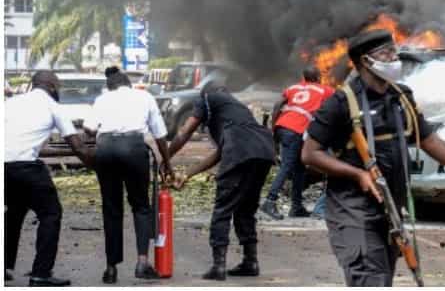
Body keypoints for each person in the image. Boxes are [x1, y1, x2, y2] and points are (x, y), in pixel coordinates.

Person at [301, 29, 445, 287]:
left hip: (391, 206)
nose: (394, 59)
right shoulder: (341, 103)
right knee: (370, 276)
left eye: (394, 51)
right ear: (364, 61)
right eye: (385, 53)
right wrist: (357, 173)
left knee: (383, 275)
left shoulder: (401, 97)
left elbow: (429, 140)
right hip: (352, 208)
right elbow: (310, 153)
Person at [167, 76, 275, 281]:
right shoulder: (237, 110)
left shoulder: (208, 98)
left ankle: (218, 266)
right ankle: (250, 262)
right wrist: (187, 174)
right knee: (245, 208)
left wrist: (166, 160)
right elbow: (220, 153)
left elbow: (184, 132)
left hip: (242, 151)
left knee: (223, 209)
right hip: (264, 152)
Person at [82, 67, 173, 284]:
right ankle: (142, 262)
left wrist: (102, 129)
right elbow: (160, 134)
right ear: (128, 84)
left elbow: (89, 128)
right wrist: (166, 162)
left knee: (111, 208)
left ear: (110, 86)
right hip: (133, 149)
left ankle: (111, 268)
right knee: (141, 206)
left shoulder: (102, 99)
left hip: (106, 150)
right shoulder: (144, 96)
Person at [5, 70, 90, 286]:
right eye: (58, 86)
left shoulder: (10, 103)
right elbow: (78, 147)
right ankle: (40, 274)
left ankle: (4, 266)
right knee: (51, 213)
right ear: (52, 86)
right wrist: (100, 166)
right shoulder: (54, 107)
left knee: (14, 212)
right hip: (27, 168)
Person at [261, 66, 334, 220]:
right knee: (287, 166)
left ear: (303, 77)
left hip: (283, 126)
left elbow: (276, 106)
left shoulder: (293, 87)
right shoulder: (324, 90)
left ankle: (296, 207)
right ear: (319, 78)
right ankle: (269, 201)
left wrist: (274, 129)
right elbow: (336, 104)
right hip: (295, 130)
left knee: (299, 169)